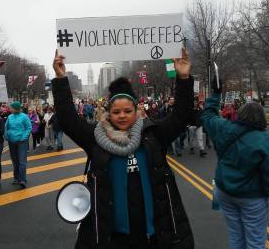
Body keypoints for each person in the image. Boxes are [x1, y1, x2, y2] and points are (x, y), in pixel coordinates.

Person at [52, 49, 194, 248]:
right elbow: (68, 120)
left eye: (128, 110)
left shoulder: (153, 135)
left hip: (153, 235)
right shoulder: (95, 138)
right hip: (112, 238)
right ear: (109, 113)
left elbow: (181, 115)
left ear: (136, 111)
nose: (122, 115)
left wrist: (184, 77)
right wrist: (60, 79)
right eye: (116, 111)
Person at [201, 79, 269, 249]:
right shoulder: (264, 141)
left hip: (225, 192)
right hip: (251, 197)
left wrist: (216, 93)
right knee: (255, 241)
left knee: (236, 236)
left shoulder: (223, 128)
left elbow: (208, 115)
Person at [4, 101, 32, 189]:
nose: (10, 109)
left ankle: (23, 180)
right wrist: (6, 135)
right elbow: (6, 127)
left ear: (16, 108)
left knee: (22, 161)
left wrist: (23, 137)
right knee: (15, 161)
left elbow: (29, 127)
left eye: (11, 108)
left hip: (21, 142)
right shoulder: (9, 117)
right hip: (11, 142)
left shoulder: (24, 116)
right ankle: (16, 177)